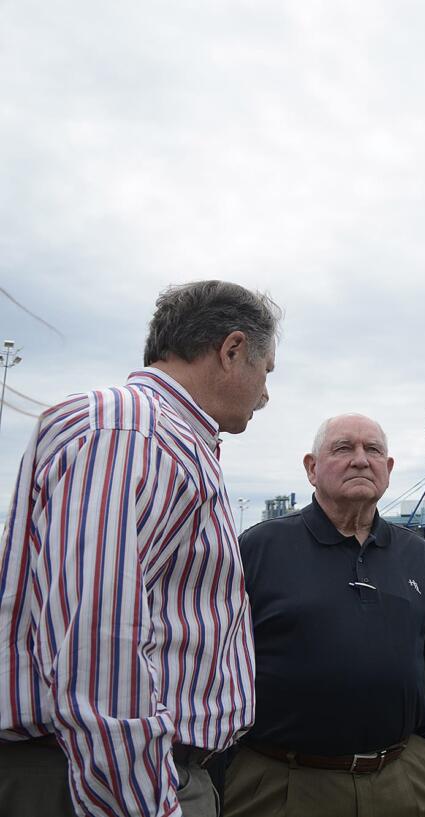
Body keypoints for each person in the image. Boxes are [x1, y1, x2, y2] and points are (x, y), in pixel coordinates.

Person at [0, 280, 281, 817]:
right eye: (266, 372)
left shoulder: (152, 435)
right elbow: (100, 648)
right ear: (232, 350)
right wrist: (138, 803)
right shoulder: (136, 432)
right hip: (107, 785)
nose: (266, 394)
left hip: (111, 773)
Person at [224, 413, 425, 817]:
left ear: (387, 470)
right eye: (343, 448)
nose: (360, 460)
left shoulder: (416, 555)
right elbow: (217, 660)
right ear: (311, 468)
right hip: (284, 782)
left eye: (373, 450)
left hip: (405, 778)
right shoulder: (260, 548)